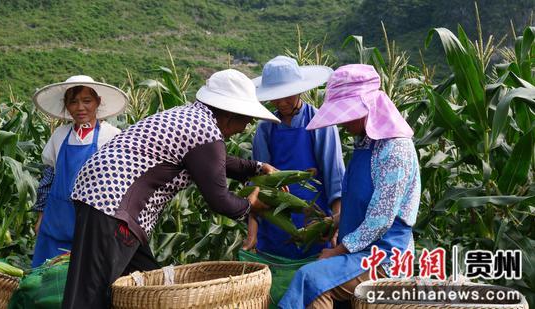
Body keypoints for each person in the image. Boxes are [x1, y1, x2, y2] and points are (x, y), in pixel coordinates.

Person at [62, 69, 280, 308]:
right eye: (246, 117)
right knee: (89, 295)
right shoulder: (205, 131)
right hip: (114, 205)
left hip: (107, 200)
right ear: (230, 114)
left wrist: (258, 168)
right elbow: (220, 200)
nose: (246, 125)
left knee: (149, 288)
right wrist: (251, 206)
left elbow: (214, 162)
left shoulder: (192, 119)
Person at [279, 64, 421, 308]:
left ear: (368, 106)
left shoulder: (395, 149)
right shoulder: (365, 144)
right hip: (358, 251)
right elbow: (361, 203)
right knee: (313, 273)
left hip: (384, 256)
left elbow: (380, 218)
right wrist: (332, 223)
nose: (342, 123)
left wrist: (337, 252)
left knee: (310, 279)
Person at [244, 55, 345, 258]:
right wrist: (252, 233)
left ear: (300, 89)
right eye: (275, 96)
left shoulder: (319, 123)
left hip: (315, 224)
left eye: (287, 95)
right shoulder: (265, 128)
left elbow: (335, 180)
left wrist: (335, 226)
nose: (281, 102)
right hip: (275, 225)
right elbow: (258, 185)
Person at [31, 75, 127, 268]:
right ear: (66, 106)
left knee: (84, 275)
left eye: (87, 101)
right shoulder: (60, 135)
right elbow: (49, 177)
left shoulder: (112, 136)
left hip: (92, 222)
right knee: (48, 276)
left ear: (98, 102)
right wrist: (41, 215)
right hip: (56, 220)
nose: (80, 107)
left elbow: (121, 184)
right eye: (73, 102)